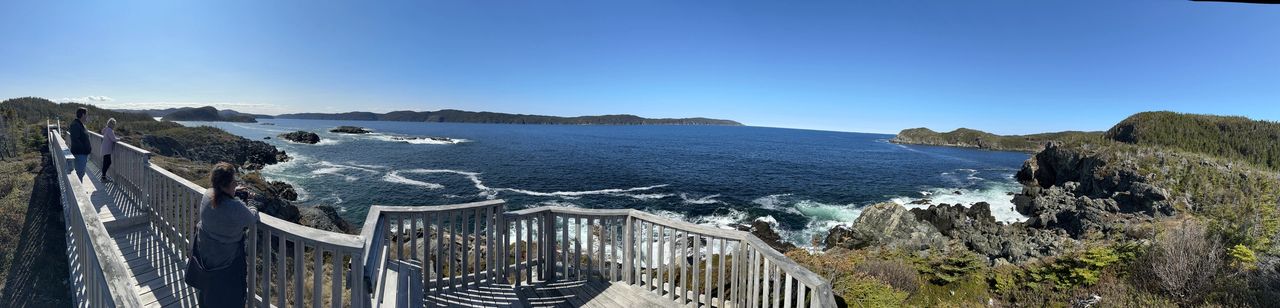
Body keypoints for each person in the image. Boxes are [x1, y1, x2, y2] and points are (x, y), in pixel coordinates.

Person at [195, 162, 257, 306]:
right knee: (230, 297)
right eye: (234, 182)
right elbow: (251, 218)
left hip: (206, 254)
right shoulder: (234, 207)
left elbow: (221, 199)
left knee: (209, 290)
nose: (236, 184)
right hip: (227, 261)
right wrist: (252, 201)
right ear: (226, 184)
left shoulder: (207, 194)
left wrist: (233, 191)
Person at [68, 107, 92, 181]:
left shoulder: (80, 124)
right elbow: (75, 140)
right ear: (82, 115)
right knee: (80, 173)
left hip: (82, 153)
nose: (87, 116)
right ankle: (78, 190)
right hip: (80, 154)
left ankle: (79, 188)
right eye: (86, 115)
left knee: (81, 172)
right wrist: (85, 149)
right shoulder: (75, 125)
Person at [100, 118, 118, 183]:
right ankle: (103, 177)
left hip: (105, 148)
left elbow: (103, 133)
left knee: (106, 162)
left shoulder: (106, 129)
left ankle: (103, 176)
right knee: (107, 162)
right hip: (107, 149)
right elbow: (113, 139)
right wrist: (119, 139)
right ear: (112, 124)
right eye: (114, 124)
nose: (114, 126)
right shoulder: (110, 130)